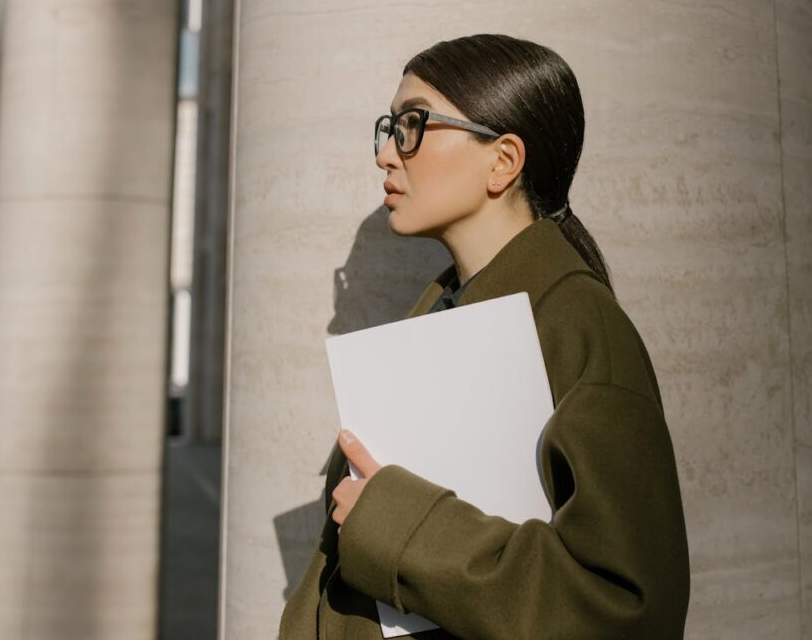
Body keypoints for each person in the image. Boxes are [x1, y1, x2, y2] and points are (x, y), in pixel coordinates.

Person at [279, 33, 690, 639]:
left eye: (413, 125)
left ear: (502, 161)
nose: (386, 155)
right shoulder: (443, 317)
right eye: (388, 128)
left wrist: (400, 527)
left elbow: (628, 607)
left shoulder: (579, 325)